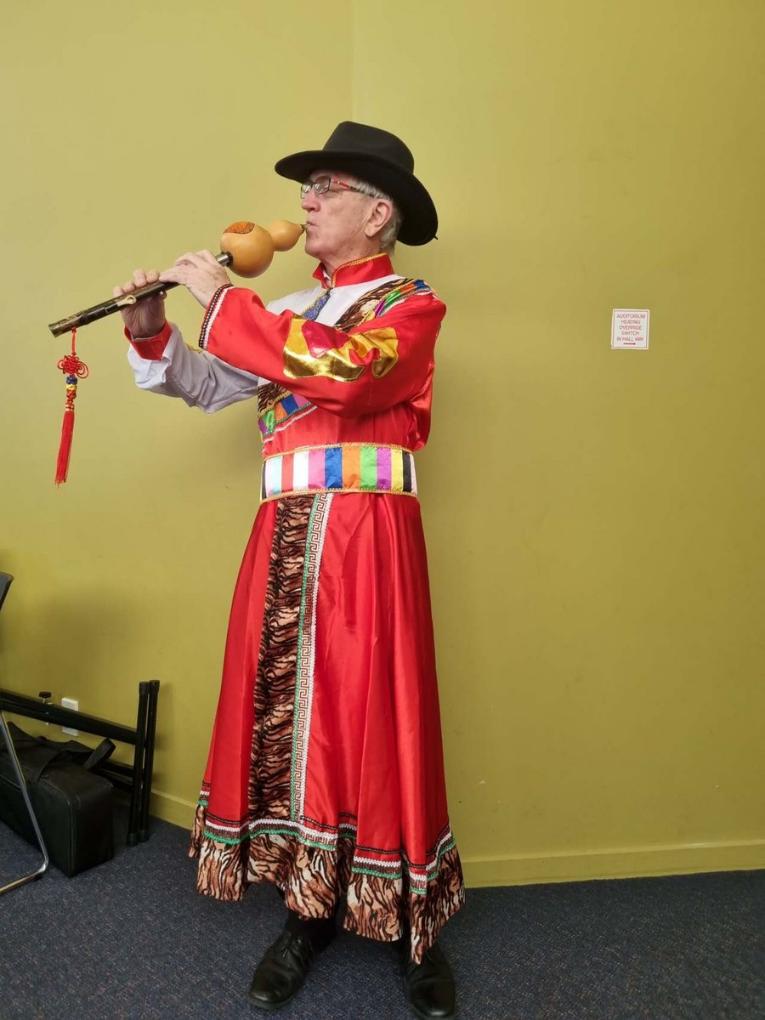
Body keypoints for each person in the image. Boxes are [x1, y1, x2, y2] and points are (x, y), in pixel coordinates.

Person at [115, 121, 464, 1018]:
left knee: (377, 713)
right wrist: (155, 334)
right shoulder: (291, 311)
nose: (304, 203)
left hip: (368, 534)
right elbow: (212, 385)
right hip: (283, 534)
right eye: (307, 188)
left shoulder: (410, 306)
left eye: (326, 187)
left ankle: (413, 926)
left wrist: (226, 303)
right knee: (293, 716)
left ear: (377, 213)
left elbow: (351, 375)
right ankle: (307, 910)